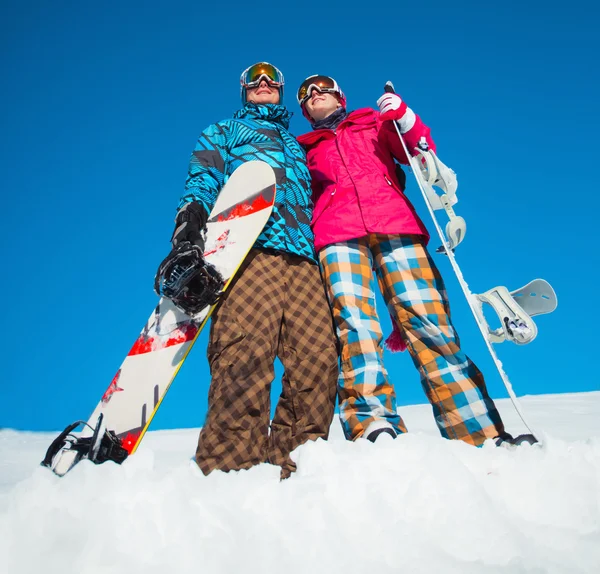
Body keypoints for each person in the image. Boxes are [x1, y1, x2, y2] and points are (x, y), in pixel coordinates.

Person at [296, 74, 530, 447]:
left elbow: (416, 150)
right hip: (336, 233)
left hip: (394, 223)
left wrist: (403, 117)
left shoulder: (372, 121)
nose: (313, 94)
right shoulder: (303, 149)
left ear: (340, 96)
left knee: (428, 321)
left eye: (322, 87)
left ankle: (479, 433)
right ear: (304, 111)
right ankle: (372, 423)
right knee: (354, 325)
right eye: (305, 94)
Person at [168, 63, 338, 479]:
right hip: (248, 254)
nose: (264, 84)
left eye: (272, 80)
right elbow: (202, 180)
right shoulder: (223, 131)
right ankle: (231, 471)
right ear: (244, 90)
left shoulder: (298, 147)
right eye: (254, 80)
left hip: (303, 262)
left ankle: (296, 470)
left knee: (319, 361)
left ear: (280, 90)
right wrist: (188, 230)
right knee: (244, 357)